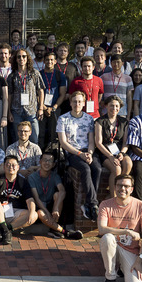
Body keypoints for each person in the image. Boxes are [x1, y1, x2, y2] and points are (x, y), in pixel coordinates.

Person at [97, 175, 142, 282]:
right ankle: (110, 278)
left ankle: (122, 267)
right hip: (113, 245)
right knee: (107, 238)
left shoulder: (141, 206)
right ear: (115, 187)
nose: (122, 188)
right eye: (119, 185)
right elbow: (101, 229)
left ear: (131, 189)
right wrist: (126, 231)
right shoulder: (105, 204)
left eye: (126, 186)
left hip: (130, 250)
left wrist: (139, 260)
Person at [58, 92, 103, 220]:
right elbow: (63, 143)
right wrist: (80, 154)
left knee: (97, 169)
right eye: (74, 101)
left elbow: (91, 141)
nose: (77, 104)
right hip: (73, 152)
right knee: (85, 169)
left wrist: (89, 153)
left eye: (79, 102)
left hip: (87, 151)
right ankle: (93, 204)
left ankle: (88, 203)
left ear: (84, 103)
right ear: (70, 103)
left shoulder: (89, 119)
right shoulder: (63, 119)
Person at [0, 155, 37, 245]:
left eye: (13, 165)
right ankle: (6, 231)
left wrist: (32, 211)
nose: (11, 167)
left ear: (18, 167)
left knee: (34, 214)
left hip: (15, 213)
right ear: (4, 167)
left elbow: (30, 200)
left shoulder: (23, 182)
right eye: (8, 165)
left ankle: (4, 229)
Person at [28, 151, 77, 239]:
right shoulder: (32, 177)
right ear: (40, 162)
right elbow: (36, 198)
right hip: (39, 206)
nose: (47, 163)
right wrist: (47, 212)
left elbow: (62, 191)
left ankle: (54, 225)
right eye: (45, 160)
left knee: (58, 194)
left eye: (50, 161)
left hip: (51, 205)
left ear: (53, 164)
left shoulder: (55, 176)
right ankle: (62, 231)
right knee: (40, 213)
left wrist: (56, 208)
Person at [7, 49, 45, 144]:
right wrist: (9, 112)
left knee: (34, 139)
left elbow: (40, 91)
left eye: (24, 56)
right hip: (16, 111)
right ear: (15, 59)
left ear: (27, 58)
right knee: (17, 140)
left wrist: (40, 108)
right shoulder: (12, 76)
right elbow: (9, 95)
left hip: (32, 111)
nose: (21, 58)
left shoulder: (34, 73)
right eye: (19, 57)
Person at [95, 95, 132, 194]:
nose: (114, 108)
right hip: (105, 152)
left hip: (119, 150)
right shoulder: (99, 121)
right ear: (106, 106)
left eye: (117, 106)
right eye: (111, 106)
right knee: (116, 169)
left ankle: (120, 188)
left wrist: (122, 153)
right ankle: (113, 196)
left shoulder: (124, 122)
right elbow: (98, 143)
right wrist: (111, 156)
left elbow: (125, 142)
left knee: (128, 163)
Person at [38, 51, 68, 151]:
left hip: (55, 108)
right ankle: (40, 155)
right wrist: (44, 107)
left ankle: (52, 155)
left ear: (55, 61)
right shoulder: (39, 75)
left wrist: (53, 107)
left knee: (53, 134)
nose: (49, 62)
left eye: (51, 60)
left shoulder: (60, 75)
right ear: (44, 61)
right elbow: (36, 93)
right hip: (41, 108)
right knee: (40, 134)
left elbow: (62, 94)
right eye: (47, 60)